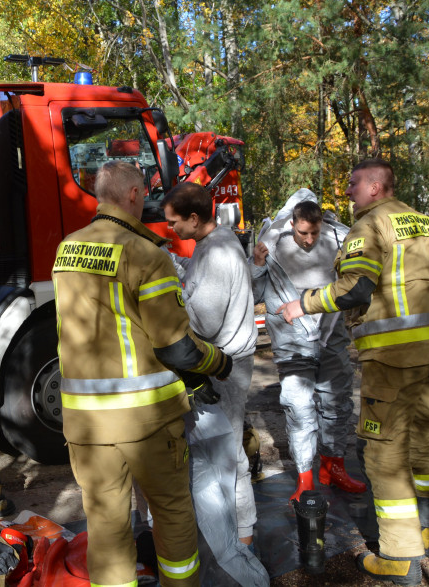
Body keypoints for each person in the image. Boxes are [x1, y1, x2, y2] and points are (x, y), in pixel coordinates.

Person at [279, 159, 429, 586]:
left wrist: (302, 303)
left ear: (376, 186)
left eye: (353, 184)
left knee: (383, 455)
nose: (347, 191)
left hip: (393, 360)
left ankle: (400, 558)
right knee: (425, 442)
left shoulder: (369, 228)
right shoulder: (425, 225)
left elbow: (355, 289)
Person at [53, 161, 233, 587]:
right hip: (146, 421)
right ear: (134, 196)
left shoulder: (67, 248)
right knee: (171, 512)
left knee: (106, 524)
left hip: (85, 423)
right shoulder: (144, 254)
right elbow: (177, 347)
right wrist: (218, 363)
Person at [161, 182, 269, 587]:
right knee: (225, 451)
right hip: (226, 360)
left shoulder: (219, 252)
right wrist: (178, 268)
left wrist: (170, 298)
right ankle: (240, 539)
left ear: (194, 218)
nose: (171, 228)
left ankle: (242, 542)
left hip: (222, 364)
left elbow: (201, 321)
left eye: (174, 222)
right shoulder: (215, 244)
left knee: (225, 456)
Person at [252, 189, 366, 502]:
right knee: (298, 406)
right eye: (303, 232)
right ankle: (305, 479)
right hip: (292, 341)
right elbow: (253, 292)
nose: (309, 239)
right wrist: (257, 264)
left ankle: (333, 467)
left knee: (337, 403)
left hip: (332, 336)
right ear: (292, 224)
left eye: (314, 232)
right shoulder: (273, 242)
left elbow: (356, 281)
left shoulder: (338, 238)